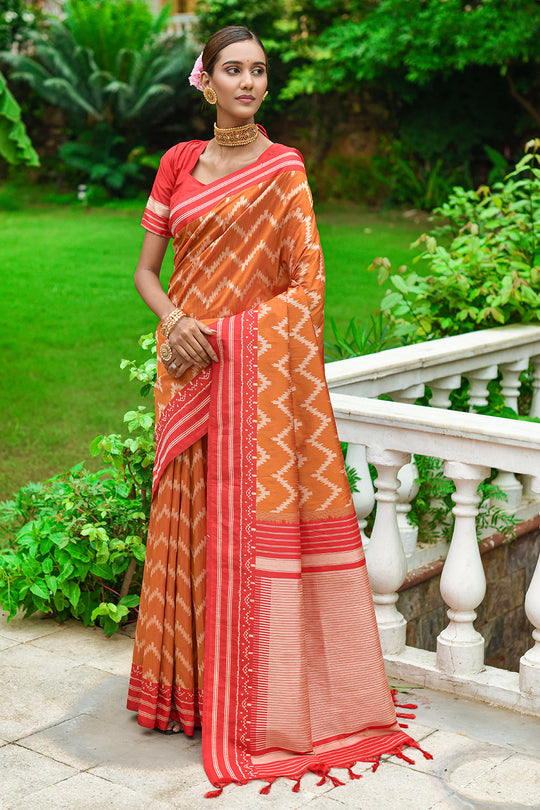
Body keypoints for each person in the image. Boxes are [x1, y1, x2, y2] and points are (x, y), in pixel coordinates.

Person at [127, 25, 428, 797]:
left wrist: (226, 332)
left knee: (239, 537)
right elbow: (146, 272)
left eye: (259, 71)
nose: (249, 82)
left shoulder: (285, 170)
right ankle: (184, 696)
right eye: (234, 69)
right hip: (188, 373)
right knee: (187, 528)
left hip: (246, 381)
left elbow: (307, 288)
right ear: (206, 80)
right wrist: (176, 322)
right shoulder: (178, 165)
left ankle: (251, 702)